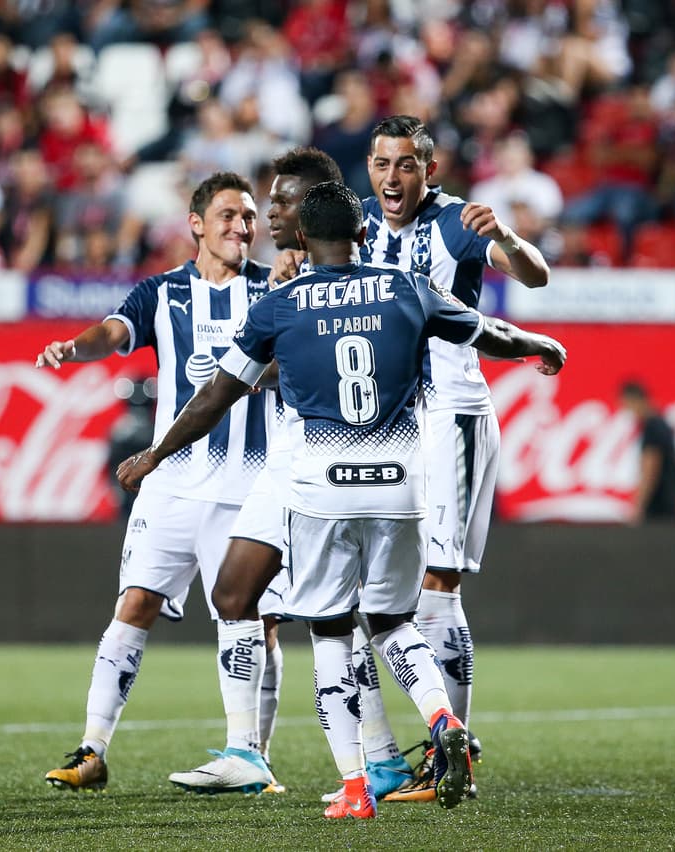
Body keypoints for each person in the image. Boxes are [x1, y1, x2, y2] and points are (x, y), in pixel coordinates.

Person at [118, 181, 567, 819]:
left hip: (320, 493)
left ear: (302, 238)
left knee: (330, 632)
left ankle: (356, 788)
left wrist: (156, 453)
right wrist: (538, 345)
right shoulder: (405, 287)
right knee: (394, 623)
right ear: (362, 233)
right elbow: (485, 332)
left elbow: (216, 395)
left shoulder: (280, 306)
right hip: (401, 488)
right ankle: (443, 720)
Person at [274, 115, 552, 803]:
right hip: (392, 426)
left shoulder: (458, 222)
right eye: (381, 163)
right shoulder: (360, 224)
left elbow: (535, 276)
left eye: (405, 164)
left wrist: (508, 238)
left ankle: (452, 751)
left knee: (438, 586)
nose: (391, 177)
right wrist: (289, 265)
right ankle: (411, 751)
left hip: (452, 411)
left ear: (429, 169)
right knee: (380, 601)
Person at [35, 172, 279, 794]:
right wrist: (72, 347)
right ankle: (92, 749)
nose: (242, 227)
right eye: (228, 215)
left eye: (249, 217)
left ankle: (250, 752)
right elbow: (112, 332)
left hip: (246, 488)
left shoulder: (274, 290)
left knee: (250, 618)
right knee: (133, 606)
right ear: (196, 224)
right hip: (171, 484)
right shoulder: (162, 292)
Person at [165, 147, 345, 795]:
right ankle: (249, 751)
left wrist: (155, 454)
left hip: (328, 467)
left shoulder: (315, 285)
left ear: (315, 209)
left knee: (350, 620)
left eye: (281, 203)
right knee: (244, 601)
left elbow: (235, 384)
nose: (266, 217)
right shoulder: (302, 281)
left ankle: (386, 755)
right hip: (305, 467)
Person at [619, 381, 675, 522]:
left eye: (627, 405)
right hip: (668, 507)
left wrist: (638, 506)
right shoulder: (661, 424)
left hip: (657, 510)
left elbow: (650, 468)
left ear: (635, 400)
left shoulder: (653, 427)